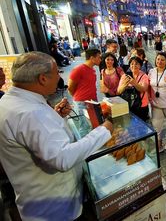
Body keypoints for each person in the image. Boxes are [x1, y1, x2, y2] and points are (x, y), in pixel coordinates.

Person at [0, 52, 112, 220]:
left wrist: (55, 116)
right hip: (56, 210)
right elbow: (62, 158)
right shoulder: (30, 112)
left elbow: (35, 135)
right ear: (42, 79)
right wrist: (104, 130)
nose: (60, 76)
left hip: (38, 202)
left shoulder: (10, 102)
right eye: (56, 73)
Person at [117, 57, 150, 121]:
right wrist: (124, 85)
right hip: (128, 105)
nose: (134, 66)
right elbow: (118, 91)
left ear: (140, 65)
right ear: (129, 65)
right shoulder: (125, 76)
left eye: (136, 64)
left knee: (142, 125)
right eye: (132, 64)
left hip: (141, 106)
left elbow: (144, 89)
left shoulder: (144, 76)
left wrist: (133, 83)